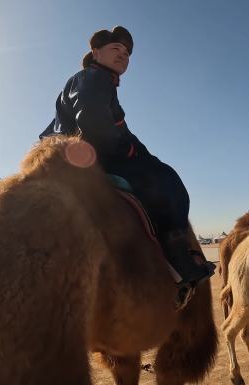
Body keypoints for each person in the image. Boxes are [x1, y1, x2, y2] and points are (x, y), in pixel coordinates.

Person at [39, 26, 215, 307]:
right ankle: (180, 264)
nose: (123, 56)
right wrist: (129, 149)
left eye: (127, 53)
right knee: (166, 182)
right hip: (93, 154)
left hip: (74, 152)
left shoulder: (91, 80)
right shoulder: (95, 77)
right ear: (96, 53)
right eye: (115, 50)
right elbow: (95, 124)